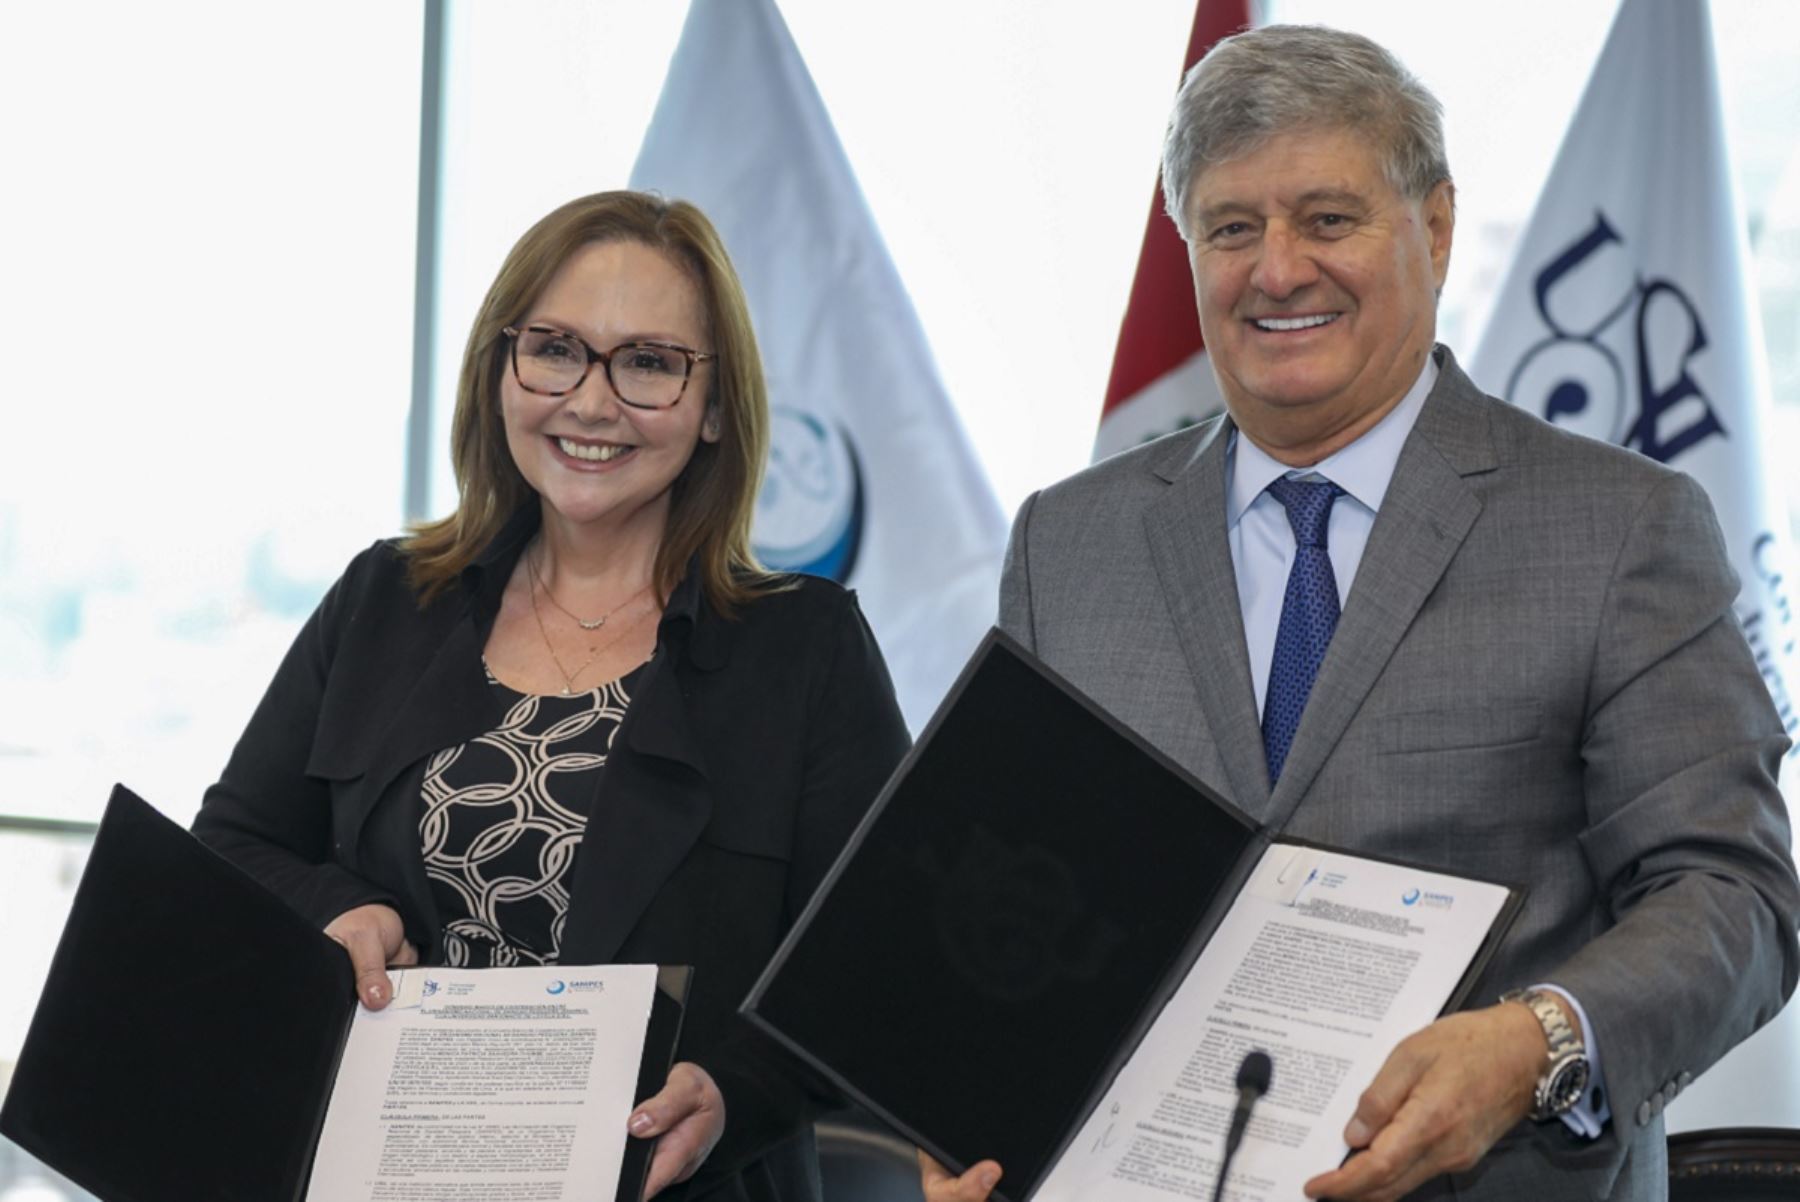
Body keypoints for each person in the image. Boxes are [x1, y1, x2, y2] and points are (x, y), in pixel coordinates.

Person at [924, 24, 1799, 1202]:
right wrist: (959, 1103)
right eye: (1232, 227)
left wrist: (1535, 1041)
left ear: (1433, 227)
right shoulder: (1064, 544)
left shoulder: (1618, 527)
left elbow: (1734, 894)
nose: (1277, 269)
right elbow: (1011, 896)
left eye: (1328, 219)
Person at [192, 191, 910, 1202]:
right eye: (556, 347)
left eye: (650, 362)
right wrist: (335, 903)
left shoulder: (807, 648)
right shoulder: (384, 600)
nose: (591, 400)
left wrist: (736, 1089)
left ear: (715, 408)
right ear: (502, 370)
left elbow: (879, 962)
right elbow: (229, 845)